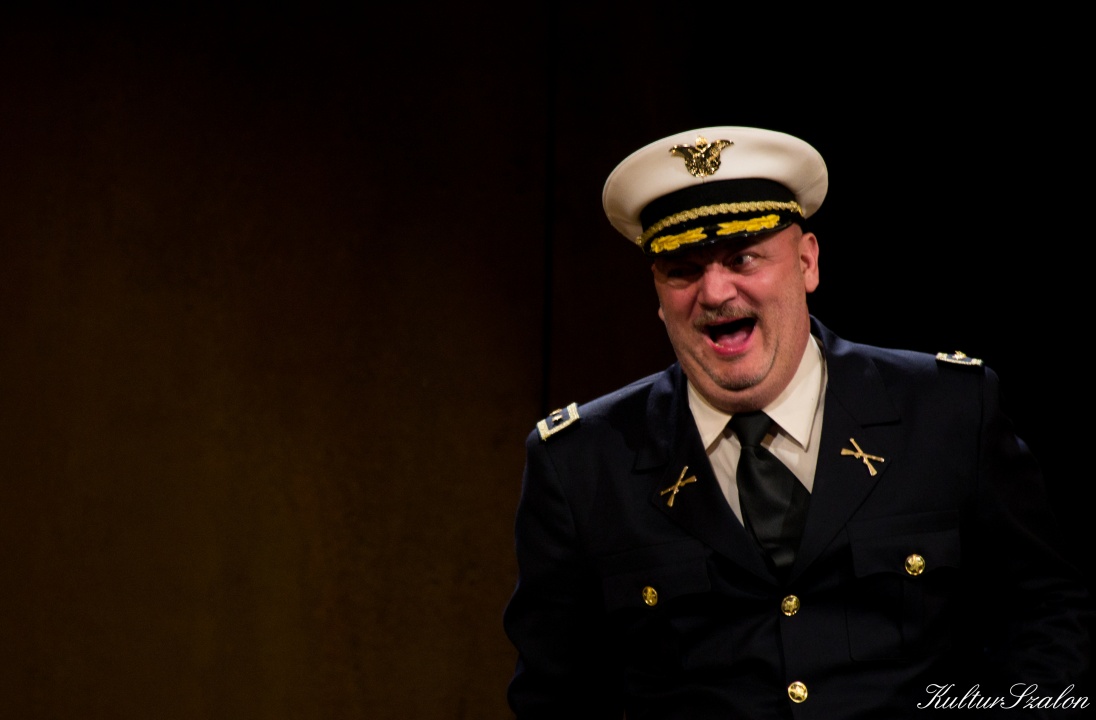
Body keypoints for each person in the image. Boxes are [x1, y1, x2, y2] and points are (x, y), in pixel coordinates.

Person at [502, 126, 1093, 718]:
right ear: (657, 293)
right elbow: (554, 695)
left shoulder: (946, 410)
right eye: (682, 269)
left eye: (743, 257)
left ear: (807, 262)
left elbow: (1045, 612)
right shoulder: (582, 462)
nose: (715, 292)